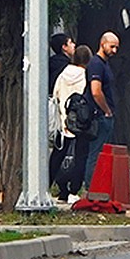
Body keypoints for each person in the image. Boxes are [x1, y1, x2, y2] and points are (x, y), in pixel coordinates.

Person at [51, 44, 92, 202]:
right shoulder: (85, 75)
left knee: (58, 155)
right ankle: (74, 191)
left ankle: (56, 188)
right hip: (80, 123)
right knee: (80, 156)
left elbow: (56, 94)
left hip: (63, 121)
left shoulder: (63, 74)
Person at [84, 31, 120, 194]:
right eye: (112, 46)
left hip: (104, 115)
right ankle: (91, 187)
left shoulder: (104, 64)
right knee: (95, 153)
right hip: (99, 116)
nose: (114, 50)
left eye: (116, 47)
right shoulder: (96, 64)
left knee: (102, 153)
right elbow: (96, 91)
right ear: (102, 44)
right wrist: (106, 110)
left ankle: (100, 186)